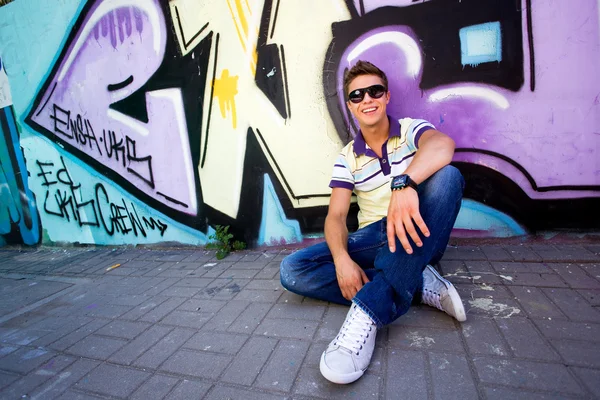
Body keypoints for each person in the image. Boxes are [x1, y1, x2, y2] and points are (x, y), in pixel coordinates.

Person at [279, 60, 467, 384]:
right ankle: (416, 283)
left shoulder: (410, 130)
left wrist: (403, 184)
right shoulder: (347, 157)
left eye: (374, 91)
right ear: (350, 106)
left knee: (450, 177)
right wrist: (341, 261)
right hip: (372, 239)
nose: (367, 99)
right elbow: (336, 216)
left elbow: (442, 146)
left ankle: (367, 312)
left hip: (416, 230)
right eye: (357, 95)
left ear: (387, 96)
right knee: (292, 270)